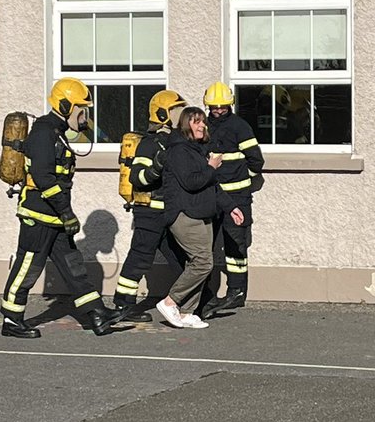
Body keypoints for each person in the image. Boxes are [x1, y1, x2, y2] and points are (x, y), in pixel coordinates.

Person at [0, 78, 128, 338]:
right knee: (28, 267)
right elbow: (44, 178)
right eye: (82, 110)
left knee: (73, 266)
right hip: (38, 216)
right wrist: (66, 212)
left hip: (54, 217)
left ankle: (96, 314)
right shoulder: (43, 133)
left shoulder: (56, 133)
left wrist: (63, 214)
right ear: (66, 106)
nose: (85, 116)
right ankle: (11, 320)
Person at [156, 106, 235, 329]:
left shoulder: (197, 149)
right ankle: (170, 302)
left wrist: (231, 207)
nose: (202, 125)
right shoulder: (179, 151)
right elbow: (192, 182)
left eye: (202, 122)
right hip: (185, 214)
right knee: (203, 262)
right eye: (196, 121)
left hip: (202, 213)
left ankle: (186, 312)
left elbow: (211, 186)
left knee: (200, 263)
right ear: (185, 125)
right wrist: (211, 166)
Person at [113, 89, 188, 311]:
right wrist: (157, 166)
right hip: (149, 211)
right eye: (177, 110)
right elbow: (138, 177)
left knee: (179, 256)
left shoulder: (174, 141)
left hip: (168, 211)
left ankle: (195, 298)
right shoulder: (150, 144)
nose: (181, 114)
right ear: (164, 115)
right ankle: (123, 305)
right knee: (140, 258)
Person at [201, 81, 264, 316]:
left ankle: (236, 291)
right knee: (205, 244)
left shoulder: (240, 127)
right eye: (214, 107)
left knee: (235, 245)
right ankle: (205, 293)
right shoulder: (202, 126)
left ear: (230, 105)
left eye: (222, 107)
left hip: (237, 197)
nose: (218, 110)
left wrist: (239, 178)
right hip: (210, 196)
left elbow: (256, 162)